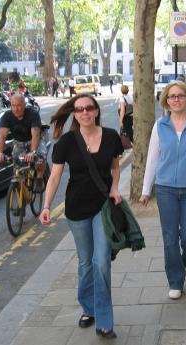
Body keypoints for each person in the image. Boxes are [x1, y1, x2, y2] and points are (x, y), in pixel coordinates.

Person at [39, 94, 123, 339]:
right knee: (86, 262)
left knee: (101, 262)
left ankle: (105, 321)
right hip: (76, 209)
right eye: (79, 109)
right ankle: (89, 307)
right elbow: (54, 177)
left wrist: (115, 187)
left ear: (96, 111)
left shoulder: (110, 137)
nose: (84, 113)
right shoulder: (66, 142)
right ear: (74, 114)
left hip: (103, 207)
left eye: (88, 108)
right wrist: (46, 206)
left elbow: (115, 167)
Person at [140, 80, 186, 300]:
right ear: (166, 101)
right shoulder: (160, 126)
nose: (176, 100)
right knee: (169, 238)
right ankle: (175, 281)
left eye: (180, 95)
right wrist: (145, 190)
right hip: (166, 188)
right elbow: (152, 159)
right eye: (171, 97)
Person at [0, 94, 47, 192]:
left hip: (34, 139)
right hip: (19, 142)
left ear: (24, 105)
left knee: (40, 157)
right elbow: (2, 136)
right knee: (17, 164)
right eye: (13, 105)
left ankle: (40, 177)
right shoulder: (7, 116)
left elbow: (36, 135)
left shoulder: (33, 114)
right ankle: (20, 190)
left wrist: (33, 152)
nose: (16, 109)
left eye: (19, 105)